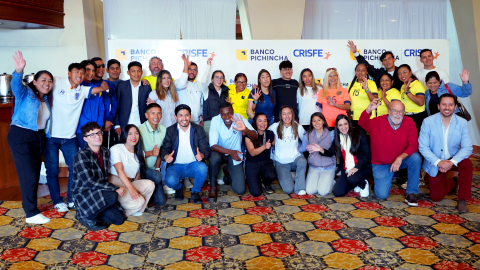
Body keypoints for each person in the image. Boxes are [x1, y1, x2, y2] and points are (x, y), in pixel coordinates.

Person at [45, 62, 109, 213]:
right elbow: (43, 83)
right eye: (76, 72)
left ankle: (72, 198)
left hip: (69, 137)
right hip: (51, 136)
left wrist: (104, 85)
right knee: (52, 170)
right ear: (69, 73)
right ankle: (57, 201)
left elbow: (101, 88)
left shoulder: (83, 90)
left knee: (76, 169)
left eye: (82, 73)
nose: (79, 75)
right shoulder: (57, 81)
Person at [7, 51, 52, 224]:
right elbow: (16, 86)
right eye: (43, 80)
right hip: (21, 134)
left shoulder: (46, 100)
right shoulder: (26, 93)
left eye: (49, 81)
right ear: (34, 82)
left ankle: (31, 207)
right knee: (29, 176)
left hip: (37, 137)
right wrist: (18, 71)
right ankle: (31, 213)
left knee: (33, 173)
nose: (47, 84)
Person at [359, 99, 421, 205]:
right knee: (382, 195)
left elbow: (414, 146)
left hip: (401, 161)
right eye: (394, 110)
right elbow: (362, 123)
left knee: (416, 158)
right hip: (381, 164)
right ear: (388, 111)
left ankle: (411, 193)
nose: (398, 114)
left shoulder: (409, 122)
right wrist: (368, 110)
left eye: (401, 111)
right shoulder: (378, 121)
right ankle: (380, 182)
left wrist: (400, 158)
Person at [419, 94, 473, 212]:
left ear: (455, 107)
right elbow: (423, 147)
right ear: (438, 106)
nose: (447, 107)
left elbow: (467, 148)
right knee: (436, 197)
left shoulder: (462, 122)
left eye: (450, 104)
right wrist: (439, 162)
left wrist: (451, 162)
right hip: (436, 160)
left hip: (455, 157)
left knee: (467, 165)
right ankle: (454, 181)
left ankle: (462, 199)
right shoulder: (428, 122)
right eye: (444, 104)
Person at [72, 122, 126, 231]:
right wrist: (115, 188)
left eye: (99, 133)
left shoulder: (105, 152)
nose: (97, 136)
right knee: (112, 195)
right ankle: (85, 216)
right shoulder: (81, 155)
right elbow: (89, 182)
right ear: (85, 139)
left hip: (98, 191)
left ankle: (94, 213)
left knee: (119, 219)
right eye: (92, 134)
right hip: (84, 194)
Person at [161, 104, 210, 204]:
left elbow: (206, 149)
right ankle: (179, 187)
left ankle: (195, 192)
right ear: (176, 117)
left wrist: (202, 155)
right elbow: (164, 149)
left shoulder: (198, 130)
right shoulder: (170, 130)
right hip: (176, 166)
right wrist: (166, 156)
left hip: (193, 164)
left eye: (186, 115)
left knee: (203, 168)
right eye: (180, 115)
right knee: (170, 181)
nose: (184, 118)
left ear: (190, 116)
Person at [208, 102, 258, 201]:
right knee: (213, 158)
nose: (227, 117)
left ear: (233, 112)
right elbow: (213, 145)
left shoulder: (239, 118)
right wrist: (231, 152)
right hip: (220, 152)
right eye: (223, 114)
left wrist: (245, 130)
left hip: (235, 155)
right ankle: (213, 187)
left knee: (240, 190)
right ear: (220, 114)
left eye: (229, 113)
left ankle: (228, 173)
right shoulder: (215, 120)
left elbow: (255, 136)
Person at [109, 124, 155, 216]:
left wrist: (134, 189)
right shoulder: (116, 148)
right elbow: (119, 171)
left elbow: (137, 174)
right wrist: (131, 189)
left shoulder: (139, 152)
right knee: (140, 201)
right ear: (125, 135)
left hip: (129, 182)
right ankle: (124, 212)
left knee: (150, 184)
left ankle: (134, 207)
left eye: (136, 133)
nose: (133, 136)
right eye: (130, 133)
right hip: (116, 182)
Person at [269, 106, 307, 195]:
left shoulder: (298, 126)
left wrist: (300, 149)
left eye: (289, 113)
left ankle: (300, 188)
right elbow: (265, 135)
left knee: (302, 161)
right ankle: (290, 176)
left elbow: (306, 140)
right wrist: (272, 142)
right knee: (288, 190)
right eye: (284, 114)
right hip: (281, 162)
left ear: (292, 114)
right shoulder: (275, 126)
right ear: (281, 116)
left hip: (295, 159)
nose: (287, 116)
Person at [332, 115, 371, 197]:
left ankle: (363, 183)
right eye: (340, 125)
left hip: (362, 167)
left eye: (345, 124)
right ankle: (355, 182)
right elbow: (330, 151)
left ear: (349, 124)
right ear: (337, 127)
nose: (343, 127)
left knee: (352, 179)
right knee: (338, 192)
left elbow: (367, 155)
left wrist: (356, 168)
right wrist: (320, 149)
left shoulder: (358, 133)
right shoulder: (338, 137)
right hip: (347, 169)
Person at [298, 113, 336, 196]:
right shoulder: (307, 135)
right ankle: (324, 181)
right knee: (310, 191)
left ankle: (331, 181)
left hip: (328, 166)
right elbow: (302, 148)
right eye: (314, 121)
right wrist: (290, 148)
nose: (317, 123)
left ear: (323, 121)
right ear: (311, 123)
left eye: (319, 120)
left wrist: (320, 149)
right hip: (314, 167)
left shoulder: (331, 134)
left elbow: (334, 151)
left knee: (322, 192)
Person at [138, 103, 166, 205]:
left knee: (161, 202)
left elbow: (159, 152)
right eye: (153, 113)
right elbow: (133, 154)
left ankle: (150, 187)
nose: (156, 116)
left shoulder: (163, 129)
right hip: (140, 168)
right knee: (158, 177)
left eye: (159, 113)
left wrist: (158, 168)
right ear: (146, 115)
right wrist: (150, 153)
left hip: (153, 169)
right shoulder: (139, 130)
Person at [114, 61, 151, 135]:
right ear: (128, 72)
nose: (136, 74)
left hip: (141, 123)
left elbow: (149, 107)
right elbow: (116, 106)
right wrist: (117, 125)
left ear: (142, 72)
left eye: (138, 71)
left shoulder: (146, 87)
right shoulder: (121, 86)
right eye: (133, 71)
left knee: (141, 145)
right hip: (124, 123)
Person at [245, 113, 277, 196]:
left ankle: (265, 183)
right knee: (256, 193)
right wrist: (264, 147)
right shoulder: (250, 134)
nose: (263, 123)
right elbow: (252, 152)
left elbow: (277, 144)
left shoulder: (270, 133)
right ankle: (257, 179)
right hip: (252, 163)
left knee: (272, 175)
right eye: (260, 121)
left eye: (265, 121)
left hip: (265, 162)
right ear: (255, 122)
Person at [76, 60, 105, 149]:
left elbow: (101, 108)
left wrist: (98, 125)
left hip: (96, 129)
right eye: (88, 70)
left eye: (93, 70)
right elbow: (75, 110)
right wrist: (87, 127)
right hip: (81, 130)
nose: (91, 73)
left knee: (96, 155)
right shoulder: (77, 87)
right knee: (85, 155)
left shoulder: (96, 88)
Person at [175, 54, 207, 126]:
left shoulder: (200, 85)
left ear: (197, 72)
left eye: (194, 70)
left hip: (197, 122)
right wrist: (186, 65)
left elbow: (202, 104)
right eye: (189, 69)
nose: (192, 72)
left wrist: (202, 119)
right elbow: (182, 84)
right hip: (182, 121)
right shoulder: (178, 82)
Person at [348, 63, 378, 131]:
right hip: (354, 118)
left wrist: (366, 89)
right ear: (355, 72)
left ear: (367, 72)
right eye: (358, 70)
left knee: (368, 140)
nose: (360, 72)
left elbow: (375, 100)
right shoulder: (351, 84)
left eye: (363, 70)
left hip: (368, 117)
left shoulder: (371, 83)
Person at [398, 64, 427, 133]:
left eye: (405, 72)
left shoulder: (417, 84)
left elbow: (421, 102)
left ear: (410, 72)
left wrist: (407, 92)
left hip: (417, 116)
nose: (402, 75)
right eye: (399, 73)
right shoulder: (403, 86)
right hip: (406, 117)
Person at [203, 68, 229, 138]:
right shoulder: (206, 90)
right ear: (212, 79)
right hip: (209, 122)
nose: (219, 79)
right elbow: (203, 82)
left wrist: (228, 105)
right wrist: (208, 65)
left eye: (221, 78)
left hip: (222, 122)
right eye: (216, 77)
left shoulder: (226, 91)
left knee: (220, 145)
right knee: (209, 144)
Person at [103, 59, 120, 148]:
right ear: (107, 70)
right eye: (112, 68)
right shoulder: (103, 84)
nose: (115, 71)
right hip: (107, 123)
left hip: (120, 123)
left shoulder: (125, 84)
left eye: (117, 68)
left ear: (120, 70)